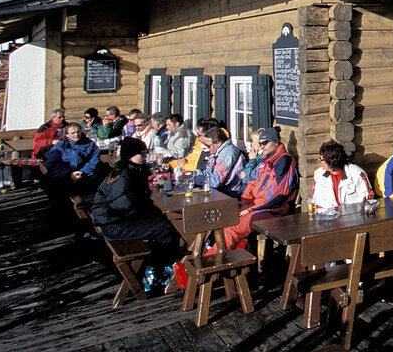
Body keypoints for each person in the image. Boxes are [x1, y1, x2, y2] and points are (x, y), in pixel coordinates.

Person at [91, 137, 181, 287]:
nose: (146, 156)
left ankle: (160, 264)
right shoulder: (125, 175)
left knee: (163, 221)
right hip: (114, 224)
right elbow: (124, 205)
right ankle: (155, 269)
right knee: (165, 228)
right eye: (143, 153)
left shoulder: (131, 170)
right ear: (132, 155)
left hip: (114, 220)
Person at [220, 128, 299, 251]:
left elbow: (276, 197)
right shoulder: (266, 160)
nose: (262, 146)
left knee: (232, 228)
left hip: (273, 210)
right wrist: (245, 202)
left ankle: (215, 263)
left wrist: (250, 208)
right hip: (258, 206)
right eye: (260, 143)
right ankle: (230, 256)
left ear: (275, 142)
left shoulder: (283, 162)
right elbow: (252, 183)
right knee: (224, 218)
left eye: (265, 142)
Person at [45, 123, 105, 197]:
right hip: (65, 177)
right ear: (67, 135)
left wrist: (82, 172)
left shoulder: (90, 144)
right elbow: (54, 165)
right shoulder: (60, 146)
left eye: (78, 132)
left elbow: (94, 160)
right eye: (73, 133)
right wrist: (69, 175)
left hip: (85, 175)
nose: (76, 135)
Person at [310, 140, 373, 209]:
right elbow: (315, 199)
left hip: (352, 216)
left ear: (331, 161)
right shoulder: (319, 175)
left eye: (321, 159)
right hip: (327, 216)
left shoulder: (356, 173)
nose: (319, 161)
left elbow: (367, 197)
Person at [198, 125, 246, 197]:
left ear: (218, 143)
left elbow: (215, 182)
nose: (206, 149)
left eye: (208, 145)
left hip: (229, 193)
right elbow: (208, 173)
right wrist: (193, 175)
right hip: (218, 191)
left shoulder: (227, 153)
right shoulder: (216, 152)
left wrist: (196, 179)